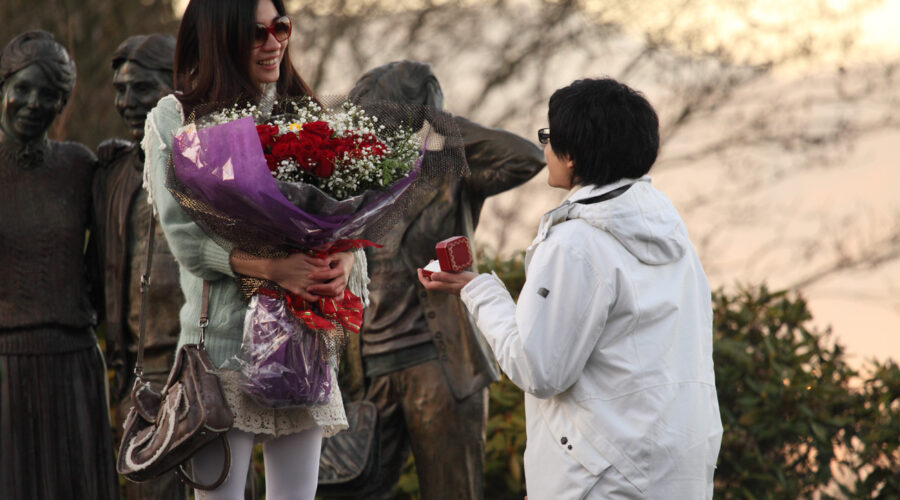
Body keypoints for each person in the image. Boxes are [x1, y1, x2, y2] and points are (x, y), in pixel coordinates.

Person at [419, 78, 723, 499]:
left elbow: (539, 369)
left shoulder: (575, 242)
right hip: (678, 471)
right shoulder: (675, 240)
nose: (544, 148)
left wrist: (478, 292)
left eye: (549, 136)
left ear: (574, 154)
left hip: (603, 479)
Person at [143, 1, 360, 498]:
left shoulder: (305, 114)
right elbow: (186, 239)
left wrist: (344, 260)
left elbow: (348, 219)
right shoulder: (175, 117)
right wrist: (274, 269)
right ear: (219, 37)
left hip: (301, 345)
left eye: (280, 27)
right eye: (255, 32)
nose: (273, 42)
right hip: (218, 356)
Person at [338, 60, 545, 499]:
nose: (378, 130)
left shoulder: (449, 172)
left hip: (438, 364)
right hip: (367, 369)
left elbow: (525, 157)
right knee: (345, 489)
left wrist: (435, 125)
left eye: (388, 118)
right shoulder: (354, 184)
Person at [0, 30, 119, 499]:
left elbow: (112, 256)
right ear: (2, 87)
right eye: (23, 89)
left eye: (49, 94)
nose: (34, 103)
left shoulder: (79, 166)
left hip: (73, 362)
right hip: (5, 364)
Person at [92, 33, 186, 500]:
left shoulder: (214, 162)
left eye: (139, 89)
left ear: (177, 87)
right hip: (140, 377)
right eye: (119, 89)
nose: (125, 102)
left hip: (206, 369)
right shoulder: (110, 174)